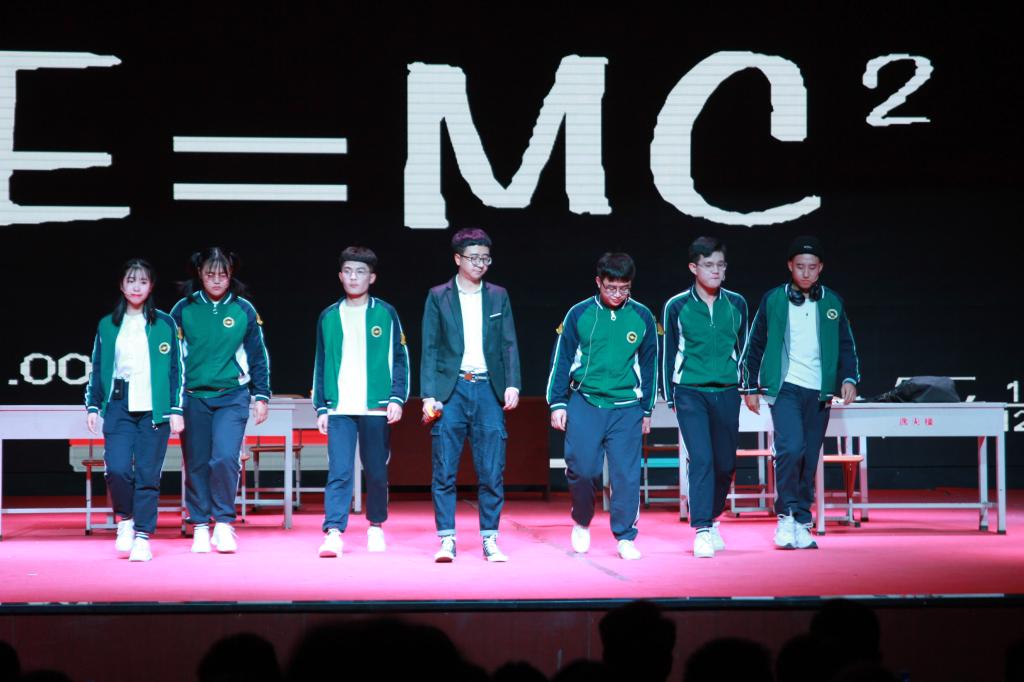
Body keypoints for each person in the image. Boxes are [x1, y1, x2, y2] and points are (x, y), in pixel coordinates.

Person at [740, 236, 860, 549]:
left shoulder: (832, 302)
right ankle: (785, 517)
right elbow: (755, 344)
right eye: (800, 267)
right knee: (791, 448)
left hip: (819, 391)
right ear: (790, 266)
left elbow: (846, 345)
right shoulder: (774, 299)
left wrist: (849, 378)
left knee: (808, 455)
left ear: (820, 268)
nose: (806, 273)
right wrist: (750, 386)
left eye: (812, 267)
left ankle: (802, 521)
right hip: (785, 387)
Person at [547, 252, 658, 560]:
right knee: (583, 470)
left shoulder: (642, 316)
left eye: (624, 288)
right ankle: (582, 520)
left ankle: (625, 536)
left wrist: (647, 409)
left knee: (626, 475)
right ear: (599, 282)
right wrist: (557, 403)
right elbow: (561, 360)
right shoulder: (579, 313)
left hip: (626, 407)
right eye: (611, 287)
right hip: (585, 401)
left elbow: (650, 366)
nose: (618, 294)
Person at [421, 228, 521, 562]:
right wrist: (428, 395)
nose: (480, 264)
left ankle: (490, 538)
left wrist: (512, 384)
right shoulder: (439, 296)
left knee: (491, 469)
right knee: (444, 469)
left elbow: (509, 343)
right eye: (474, 258)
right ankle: (446, 538)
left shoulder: (498, 295)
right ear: (457, 259)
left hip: (488, 389)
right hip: (451, 391)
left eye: (485, 259)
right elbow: (430, 348)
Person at [171, 248, 271, 554]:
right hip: (193, 397)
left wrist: (262, 395)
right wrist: (173, 403)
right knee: (196, 463)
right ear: (199, 274)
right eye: (210, 274)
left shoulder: (243, 309)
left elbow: (258, 354)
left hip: (232, 395)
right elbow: (172, 360)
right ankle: (201, 525)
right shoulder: (183, 309)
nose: (216, 280)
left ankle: (224, 524)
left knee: (225, 458)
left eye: (222, 274)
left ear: (231, 275)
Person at [312, 246, 409, 557]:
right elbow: (320, 363)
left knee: (376, 471)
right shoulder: (329, 315)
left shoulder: (386, 313)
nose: (354, 277)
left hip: (375, 406)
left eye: (361, 272)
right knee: (339, 471)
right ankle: (333, 532)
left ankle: (375, 526)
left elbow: (400, 359)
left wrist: (397, 398)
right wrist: (321, 406)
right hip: (339, 407)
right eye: (349, 271)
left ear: (372, 277)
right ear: (340, 276)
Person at [85, 258, 184, 562]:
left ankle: (142, 536)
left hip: (154, 407)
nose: (136, 287)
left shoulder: (164, 323)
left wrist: (176, 408)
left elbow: (176, 369)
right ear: (121, 285)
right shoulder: (108, 324)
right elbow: (98, 366)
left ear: (151, 286)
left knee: (147, 473)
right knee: (116, 469)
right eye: (131, 280)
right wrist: (93, 405)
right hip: (119, 404)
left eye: (142, 281)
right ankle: (125, 519)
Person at [661, 237, 748, 558]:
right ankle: (701, 529)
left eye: (720, 265)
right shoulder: (676, 306)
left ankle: (711, 519)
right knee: (702, 458)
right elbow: (668, 352)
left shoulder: (737, 304)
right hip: (690, 391)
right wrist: (670, 396)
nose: (715, 271)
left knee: (725, 463)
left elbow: (744, 350)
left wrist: (746, 387)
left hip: (726, 391)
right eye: (708, 265)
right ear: (693, 268)